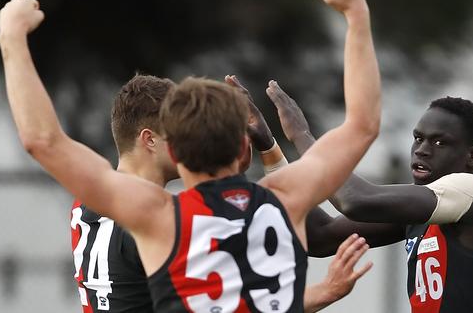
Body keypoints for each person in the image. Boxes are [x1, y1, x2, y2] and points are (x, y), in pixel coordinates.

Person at [0, 0, 381, 313]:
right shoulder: (286, 200)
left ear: (177, 152)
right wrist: (356, 13)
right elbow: (362, 125)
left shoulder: (156, 217)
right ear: (244, 148)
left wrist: (12, 38)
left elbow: (43, 141)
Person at [70, 74, 372, 312]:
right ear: (150, 140)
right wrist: (325, 291)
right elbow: (237, 303)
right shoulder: (160, 221)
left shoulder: (87, 204)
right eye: (179, 131)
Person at [264, 83, 473, 313]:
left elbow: (355, 200)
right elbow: (319, 237)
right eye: (418, 138)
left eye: (439, 143)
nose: (422, 150)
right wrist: (270, 151)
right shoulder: (426, 207)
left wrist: (301, 135)